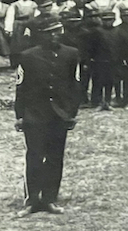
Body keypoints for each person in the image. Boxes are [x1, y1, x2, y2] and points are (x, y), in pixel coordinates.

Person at [14, 16, 81, 217]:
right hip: (35, 114)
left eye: (57, 31)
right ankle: (32, 200)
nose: (54, 36)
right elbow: (21, 88)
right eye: (49, 32)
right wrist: (20, 115)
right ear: (40, 35)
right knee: (34, 156)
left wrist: (71, 113)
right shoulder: (27, 56)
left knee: (55, 157)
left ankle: (50, 198)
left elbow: (75, 85)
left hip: (60, 115)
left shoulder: (71, 54)